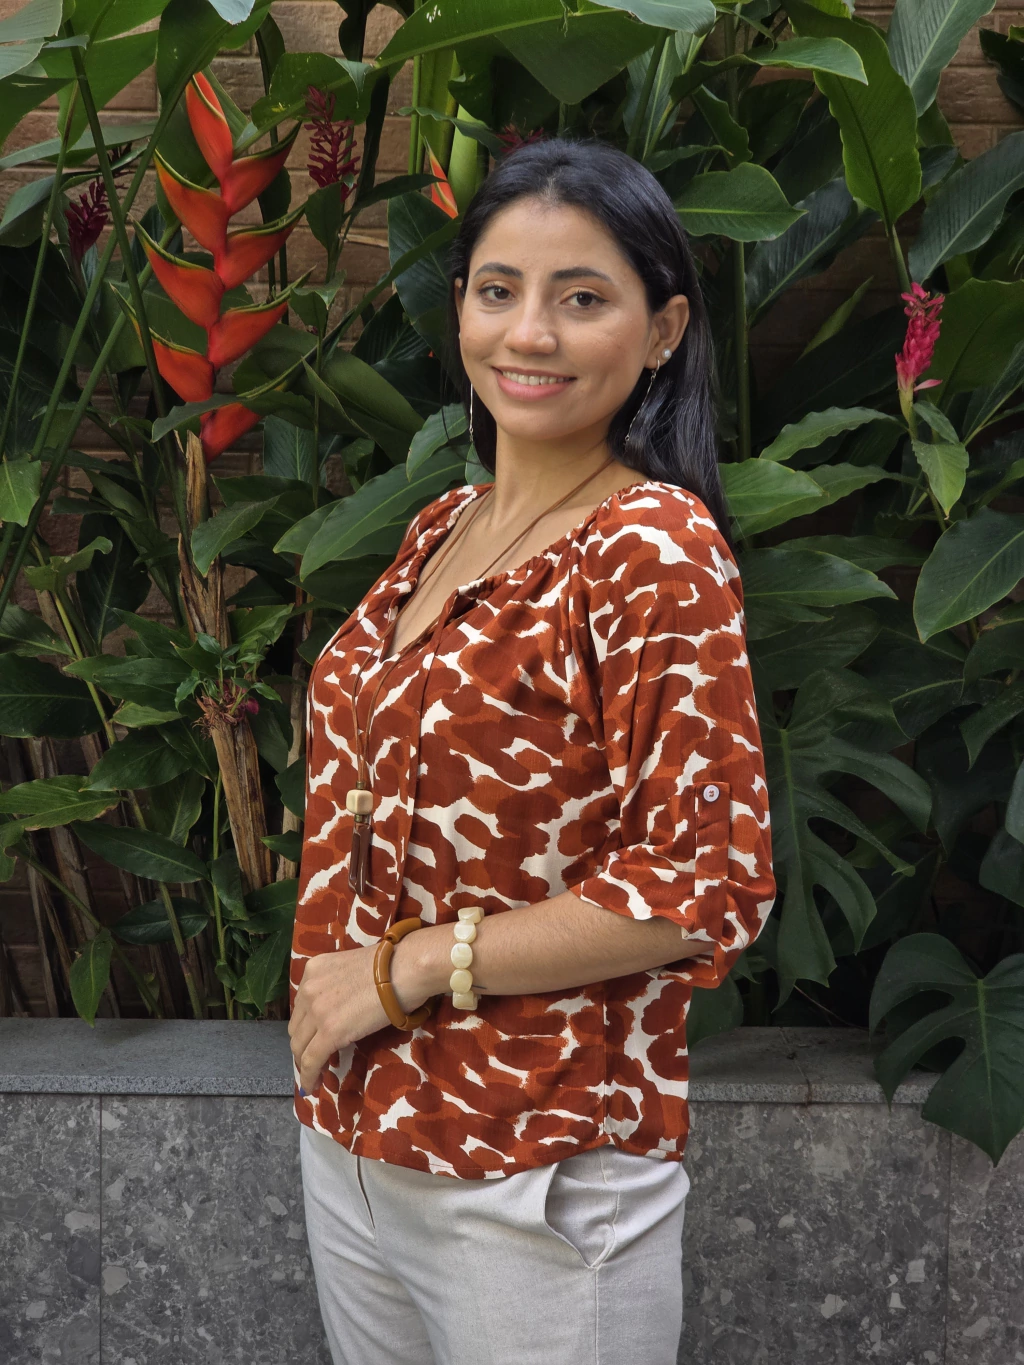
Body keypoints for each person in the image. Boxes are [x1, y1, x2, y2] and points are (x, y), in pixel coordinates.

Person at [288, 137, 775, 1365]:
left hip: (533, 1167)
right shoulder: (442, 525)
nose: (531, 334)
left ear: (662, 331)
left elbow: (703, 880)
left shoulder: (649, 548)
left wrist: (407, 967)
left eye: (582, 298)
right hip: (359, 1140)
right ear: (459, 305)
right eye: (498, 290)